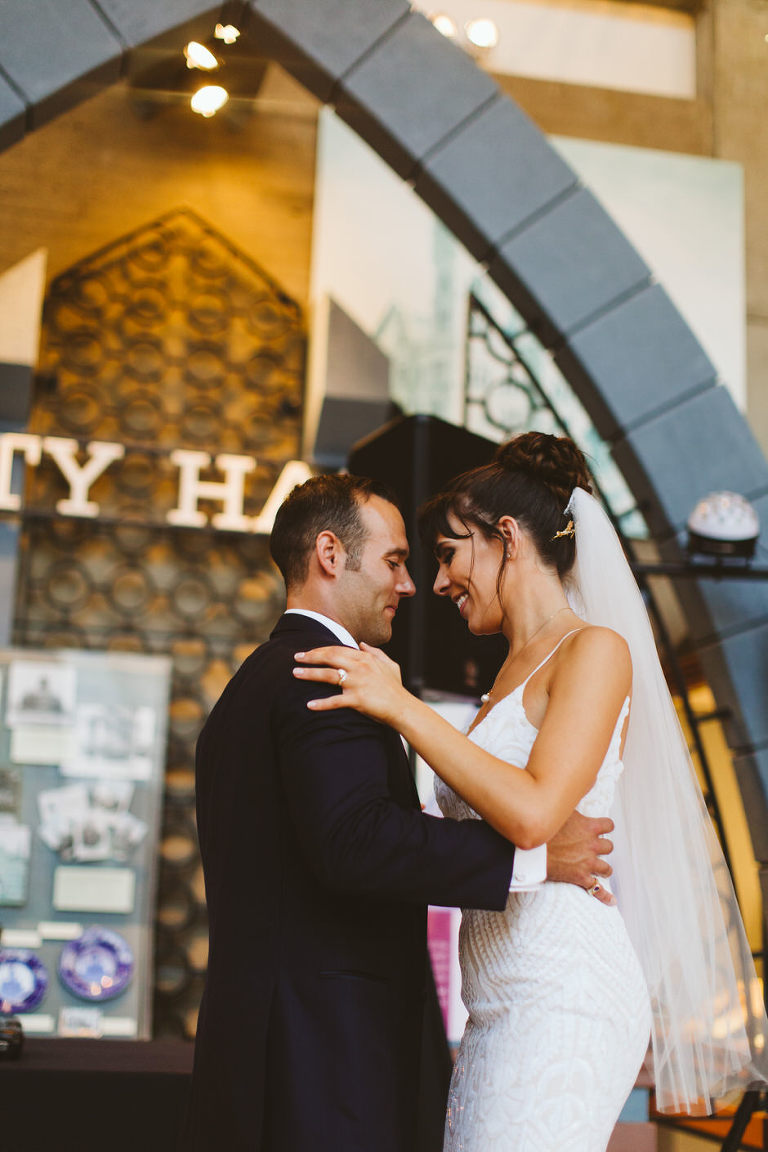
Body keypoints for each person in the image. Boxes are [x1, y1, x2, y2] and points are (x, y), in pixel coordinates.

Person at [294, 433, 768, 1152]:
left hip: (564, 989)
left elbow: (534, 813)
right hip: (496, 1005)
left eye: (450, 552)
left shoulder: (593, 650)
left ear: (505, 538)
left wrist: (400, 706)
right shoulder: (502, 681)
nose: (441, 580)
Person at [182, 471, 616, 1152]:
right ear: (330, 554)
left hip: (280, 1037)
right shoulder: (322, 675)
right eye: (395, 560)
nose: (413, 585)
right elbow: (356, 841)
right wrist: (536, 857)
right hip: (320, 1050)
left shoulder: (259, 679)